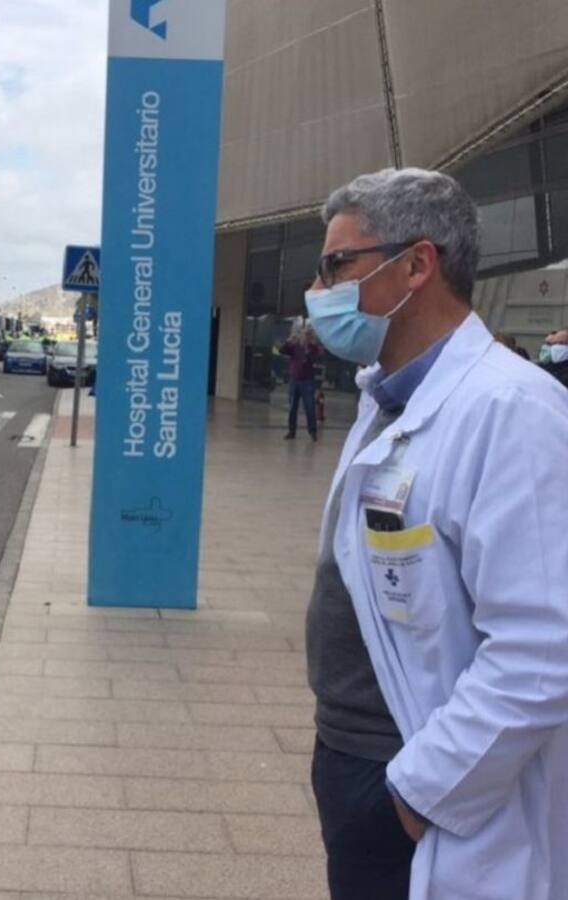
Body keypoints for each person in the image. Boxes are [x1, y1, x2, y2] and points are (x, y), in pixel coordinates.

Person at [303, 168, 568, 900]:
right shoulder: (386, 398)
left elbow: (543, 651)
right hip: (358, 754)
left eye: (338, 265)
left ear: (417, 265)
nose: (320, 290)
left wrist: (412, 800)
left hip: (422, 783)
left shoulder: (512, 412)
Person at [277, 324, 322, 440]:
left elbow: (315, 357)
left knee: (309, 406)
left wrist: (308, 349)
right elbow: (281, 350)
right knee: (292, 407)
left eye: (308, 335)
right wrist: (288, 341)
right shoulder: (294, 346)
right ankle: (291, 431)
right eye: (304, 334)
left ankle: (312, 431)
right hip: (294, 380)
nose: (305, 337)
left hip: (307, 381)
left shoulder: (313, 347)